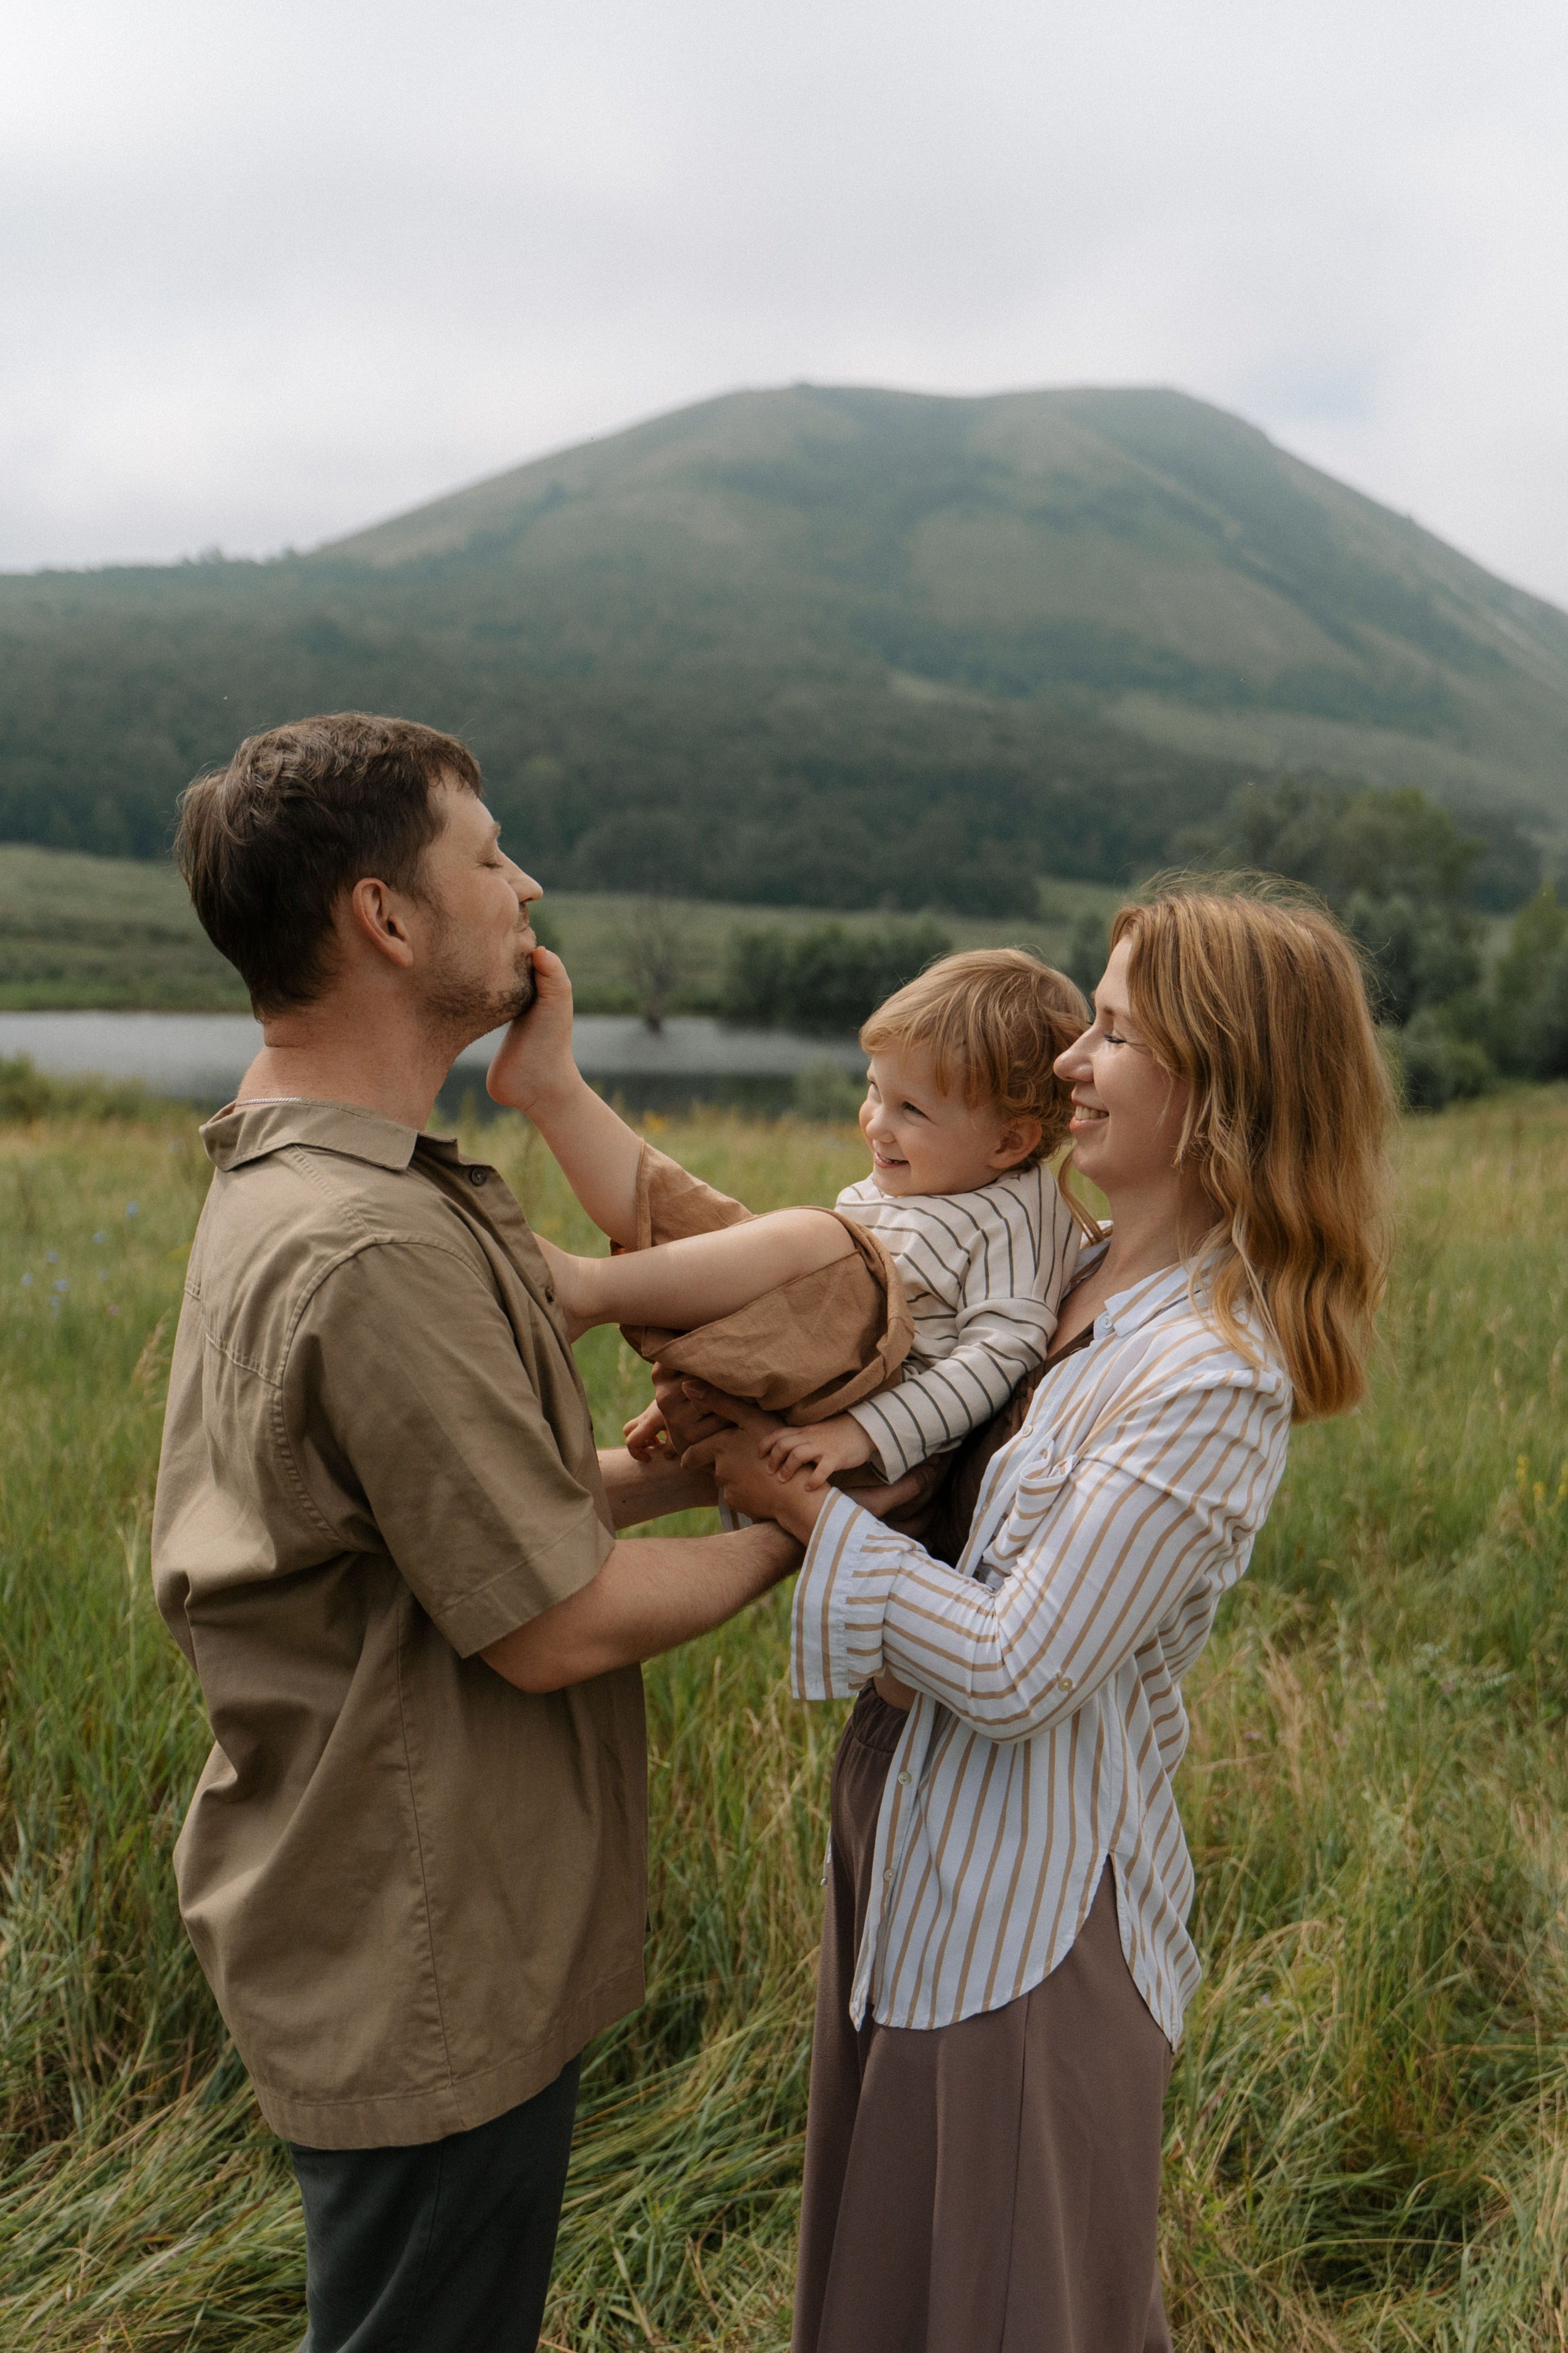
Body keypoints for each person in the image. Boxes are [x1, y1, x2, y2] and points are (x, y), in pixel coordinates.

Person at [150, 711, 833, 2353]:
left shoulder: (318, 1184)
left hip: (409, 1926)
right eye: (487, 855)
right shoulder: (372, 1240)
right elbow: (553, 1619)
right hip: (422, 1943)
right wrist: (797, 1536)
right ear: (386, 921)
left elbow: (463, 1526)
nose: (526, 886)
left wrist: (689, 1475)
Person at [679, 888, 1394, 2353]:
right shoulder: (1056, 1279)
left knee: (1007, 2311)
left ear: (1217, 1087)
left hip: (1030, 1916)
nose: (1068, 1056)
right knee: (883, 2290)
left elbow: (1014, 1666)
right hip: (904, 1858)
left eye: (1116, 1031)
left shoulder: (1208, 1373)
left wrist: (806, 1514)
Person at [501, 950, 1091, 1494]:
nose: (876, 1124)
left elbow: (997, 1361)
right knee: (721, 1234)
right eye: (874, 1090)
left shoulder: (1017, 1219)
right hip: (830, 1384)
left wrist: (863, 1433)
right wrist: (714, 1376)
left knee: (815, 1239)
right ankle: (553, 1092)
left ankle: (585, 1291)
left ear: (1010, 1141)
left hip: (883, 1436)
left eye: (912, 1109)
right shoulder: (934, 1181)